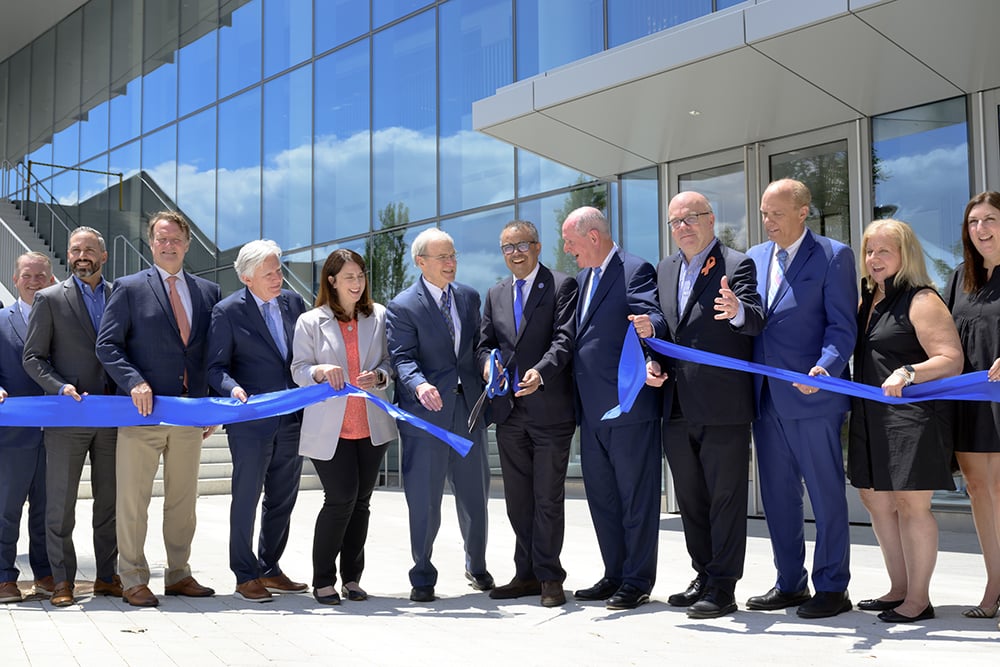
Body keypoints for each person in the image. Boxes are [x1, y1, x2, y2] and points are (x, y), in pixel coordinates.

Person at [634, 192, 764, 619]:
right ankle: (703, 573)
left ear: (711, 220)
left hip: (722, 403)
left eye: (691, 218)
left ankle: (724, 586)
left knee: (725, 497)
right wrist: (651, 357)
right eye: (675, 221)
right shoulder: (665, 268)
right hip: (674, 403)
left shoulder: (736, 263)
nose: (683, 227)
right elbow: (663, 329)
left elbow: (755, 317)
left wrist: (737, 310)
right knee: (690, 498)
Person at [96, 210, 221, 608]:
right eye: (161, 239)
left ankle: (179, 574)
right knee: (133, 501)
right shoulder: (129, 288)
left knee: (183, 502)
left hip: (188, 415)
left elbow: (212, 354)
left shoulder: (208, 292)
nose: (168, 246)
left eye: (175, 239)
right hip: (142, 414)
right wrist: (134, 381)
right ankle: (132, 578)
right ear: (151, 245)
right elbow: (107, 345)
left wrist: (210, 405)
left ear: (187, 244)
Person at [745, 178, 858, 619]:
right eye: (763, 214)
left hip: (814, 395)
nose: (768, 222)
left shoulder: (833, 256)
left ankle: (832, 587)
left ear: (803, 211)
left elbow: (841, 326)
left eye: (776, 213)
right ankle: (790, 582)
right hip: (766, 398)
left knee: (826, 494)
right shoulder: (754, 258)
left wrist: (827, 367)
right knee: (777, 496)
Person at [850, 218, 962, 623]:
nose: (874, 259)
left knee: (911, 505)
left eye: (884, 250)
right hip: (870, 414)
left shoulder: (921, 299)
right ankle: (897, 588)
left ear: (904, 254)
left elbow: (951, 359)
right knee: (874, 499)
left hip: (912, 418)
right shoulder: (867, 302)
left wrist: (909, 371)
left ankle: (918, 599)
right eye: (869, 251)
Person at [561, 206, 665, 611]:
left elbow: (648, 315)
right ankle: (615, 573)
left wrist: (651, 348)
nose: (567, 248)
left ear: (592, 236)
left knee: (635, 496)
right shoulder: (583, 279)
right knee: (603, 497)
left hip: (627, 406)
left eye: (570, 240)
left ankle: (637, 580)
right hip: (591, 411)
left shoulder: (634, 268)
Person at [386, 228, 491, 603]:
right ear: (421, 262)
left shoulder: (468, 297)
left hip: (467, 412)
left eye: (453, 255)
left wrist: (487, 365)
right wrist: (418, 385)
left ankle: (476, 566)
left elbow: (478, 346)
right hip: (426, 415)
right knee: (425, 499)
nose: (451, 263)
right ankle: (423, 574)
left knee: (475, 495)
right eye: (442, 257)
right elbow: (401, 357)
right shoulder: (403, 305)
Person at [478, 220, 578, 608]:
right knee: (518, 500)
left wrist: (542, 372)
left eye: (521, 244)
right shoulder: (496, 293)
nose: (515, 252)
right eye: (507, 247)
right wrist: (488, 365)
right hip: (509, 412)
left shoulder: (560, 285)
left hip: (550, 410)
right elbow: (485, 344)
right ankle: (526, 574)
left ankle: (551, 576)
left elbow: (564, 339)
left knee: (547, 497)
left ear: (537, 247)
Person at [291, 249, 398, 605]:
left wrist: (380, 376)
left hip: (371, 424)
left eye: (361, 276)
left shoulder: (379, 316)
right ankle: (323, 579)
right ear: (332, 281)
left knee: (362, 503)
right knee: (340, 500)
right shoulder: (310, 321)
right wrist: (319, 372)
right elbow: (298, 370)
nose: (357, 283)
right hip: (330, 428)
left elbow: (389, 362)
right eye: (349, 277)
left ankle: (352, 578)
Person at [205, 240, 308, 603]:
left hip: (292, 417)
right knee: (247, 497)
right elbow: (215, 368)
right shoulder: (227, 311)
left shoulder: (295, 303)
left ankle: (270, 567)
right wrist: (232, 389)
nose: (278, 277)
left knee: (283, 497)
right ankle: (245, 574)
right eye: (269, 273)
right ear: (248, 277)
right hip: (250, 421)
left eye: (279, 269)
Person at [23, 228, 120, 607]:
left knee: (109, 503)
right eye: (76, 249)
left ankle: (107, 577)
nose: (82, 255)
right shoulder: (49, 299)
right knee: (60, 505)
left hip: (113, 416)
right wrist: (59, 386)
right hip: (68, 415)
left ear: (104, 255)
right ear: (68, 254)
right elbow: (33, 358)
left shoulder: (120, 295)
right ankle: (62, 580)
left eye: (90, 250)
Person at [944, 191, 1000, 621]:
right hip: (968, 399)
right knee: (979, 490)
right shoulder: (960, 277)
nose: (981, 229)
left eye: (990, 219)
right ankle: (994, 584)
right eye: (974, 222)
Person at [0, 253, 53, 604]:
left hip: (58, 433)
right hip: (13, 434)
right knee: (6, 507)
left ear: (51, 279)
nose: (34, 280)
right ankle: (4, 577)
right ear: (15, 279)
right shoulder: (1, 321)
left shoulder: (64, 317)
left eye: (41, 275)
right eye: (27, 275)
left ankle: (47, 574)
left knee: (50, 510)